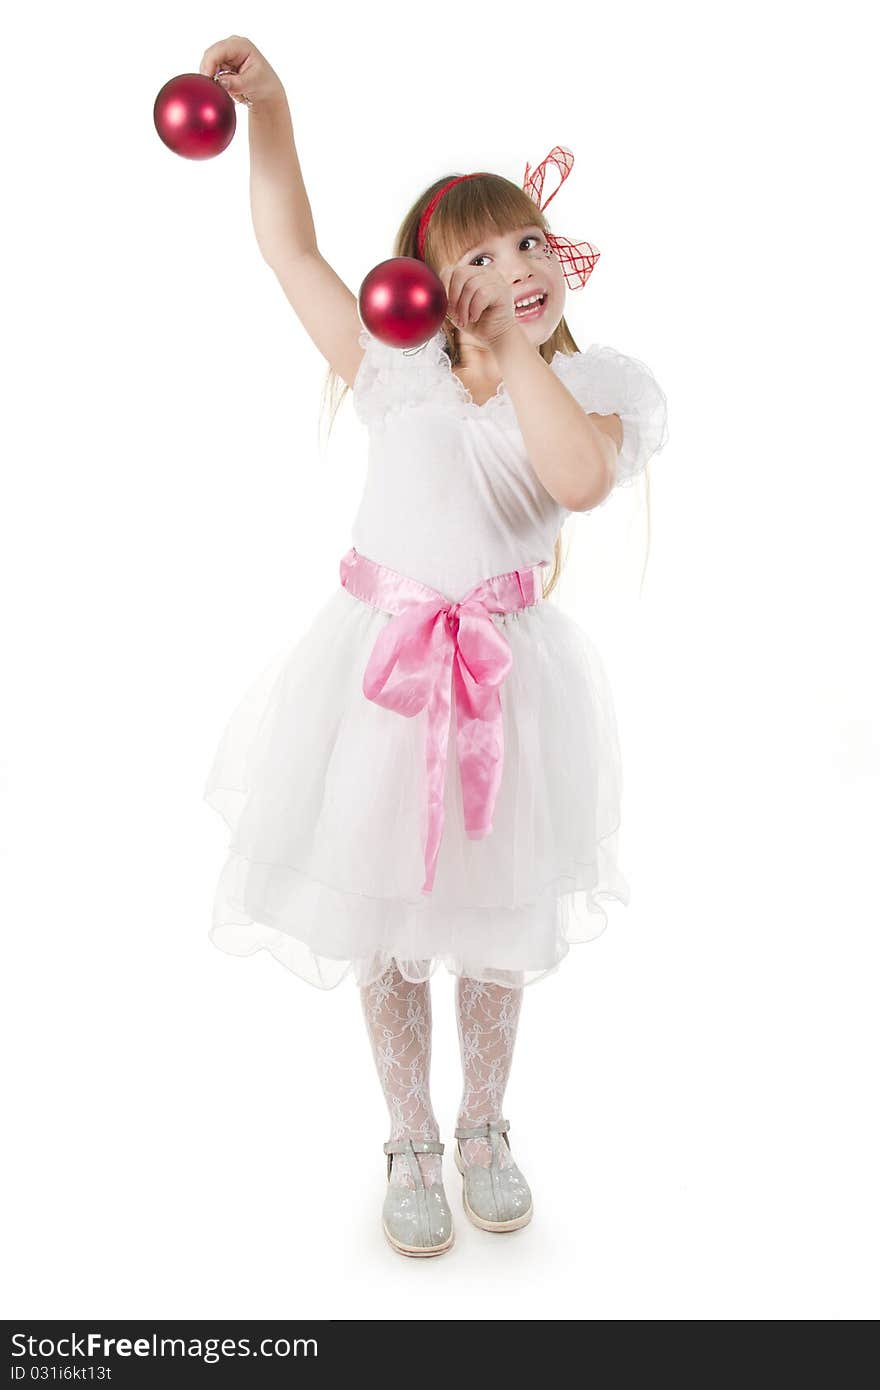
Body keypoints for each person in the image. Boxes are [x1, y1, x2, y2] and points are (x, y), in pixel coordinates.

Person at [199, 36, 669, 1259]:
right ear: (427, 280)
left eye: (528, 244)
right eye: (478, 254)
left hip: (508, 687)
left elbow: (573, 476)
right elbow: (289, 249)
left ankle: (483, 1125)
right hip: (383, 685)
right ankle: (406, 1130)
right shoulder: (391, 371)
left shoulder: (592, 388)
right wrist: (273, 113)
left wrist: (518, 354)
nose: (513, 268)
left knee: (496, 919)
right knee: (389, 917)